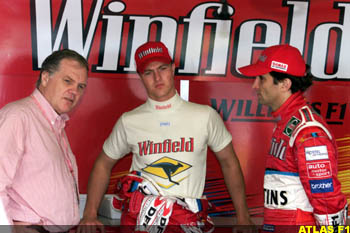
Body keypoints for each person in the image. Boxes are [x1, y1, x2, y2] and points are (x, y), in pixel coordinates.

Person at [79, 41, 253, 232]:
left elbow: (229, 162)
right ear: (141, 77)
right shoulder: (129, 121)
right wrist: (89, 215)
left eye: (162, 68)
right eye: (148, 72)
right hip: (142, 223)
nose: (157, 77)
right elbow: (103, 164)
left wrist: (243, 217)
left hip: (188, 222)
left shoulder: (205, 116)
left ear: (172, 69)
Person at [238, 44, 348, 231]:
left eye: (261, 79)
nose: (255, 85)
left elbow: (326, 198)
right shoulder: (288, 123)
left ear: (285, 84)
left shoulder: (308, 131)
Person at [0, 49, 89, 232]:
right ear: (46, 78)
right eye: (67, 81)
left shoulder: (55, 123)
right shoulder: (18, 116)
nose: (74, 91)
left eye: (81, 86)